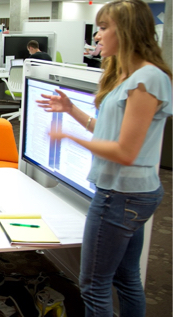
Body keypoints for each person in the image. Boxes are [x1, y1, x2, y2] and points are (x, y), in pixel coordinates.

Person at [36, 1, 172, 316]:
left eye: (103, 27)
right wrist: (72, 111)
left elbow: (125, 151)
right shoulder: (127, 76)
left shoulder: (147, 80)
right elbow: (109, 132)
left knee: (94, 286)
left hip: (122, 194)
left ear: (126, 32)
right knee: (126, 279)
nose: (97, 36)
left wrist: (70, 137)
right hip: (127, 193)